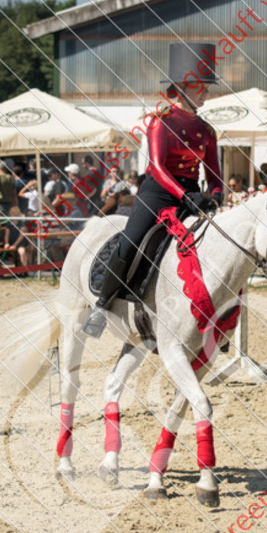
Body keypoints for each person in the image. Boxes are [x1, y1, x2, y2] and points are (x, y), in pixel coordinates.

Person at [82, 42, 224, 337]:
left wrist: (216, 196)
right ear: (185, 86)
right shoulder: (160, 122)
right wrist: (186, 195)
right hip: (157, 194)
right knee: (131, 241)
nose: (207, 92)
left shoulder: (207, 131)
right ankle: (102, 304)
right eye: (203, 87)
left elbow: (214, 176)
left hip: (191, 197)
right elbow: (157, 167)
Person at [1, 206, 31, 274]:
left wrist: (15, 245)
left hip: (19, 243)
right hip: (11, 242)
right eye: (12, 213)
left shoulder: (22, 224)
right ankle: (1, 270)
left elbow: (21, 237)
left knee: (22, 252)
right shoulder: (9, 224)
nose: (13, 215)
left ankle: (24, 270)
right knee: (1, 252)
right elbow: (6, 235)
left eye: (15, 214)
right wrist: (6, 243)